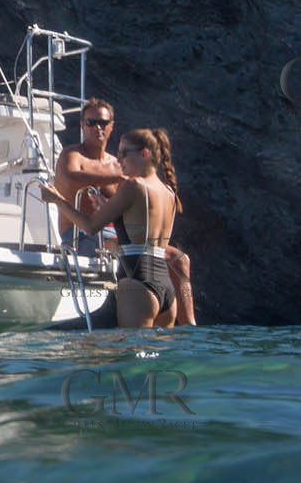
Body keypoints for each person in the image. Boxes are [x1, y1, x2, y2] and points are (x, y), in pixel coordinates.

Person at [53, 105, 195, 326]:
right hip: (165, 289)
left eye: (124, 154)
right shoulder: (168, 192)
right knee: (163, 358)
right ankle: (191, 327)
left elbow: (90, 227)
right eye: (91, 122)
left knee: (133, 357)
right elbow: (139, 226)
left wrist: (56, 200)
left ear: (144, 154)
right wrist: (108, 206)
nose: (119, 160)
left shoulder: (132, 185)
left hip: (138, 282)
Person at [53, 99, 120, 257]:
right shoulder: (72, 156)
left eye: (103, 122)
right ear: (83, 125)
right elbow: (72, 177)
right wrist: (118, 176)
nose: (97, 127)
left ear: (111, 126)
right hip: (78, 234)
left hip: (112, 233)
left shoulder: (115, 164)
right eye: (91, 122)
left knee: (177, 259)